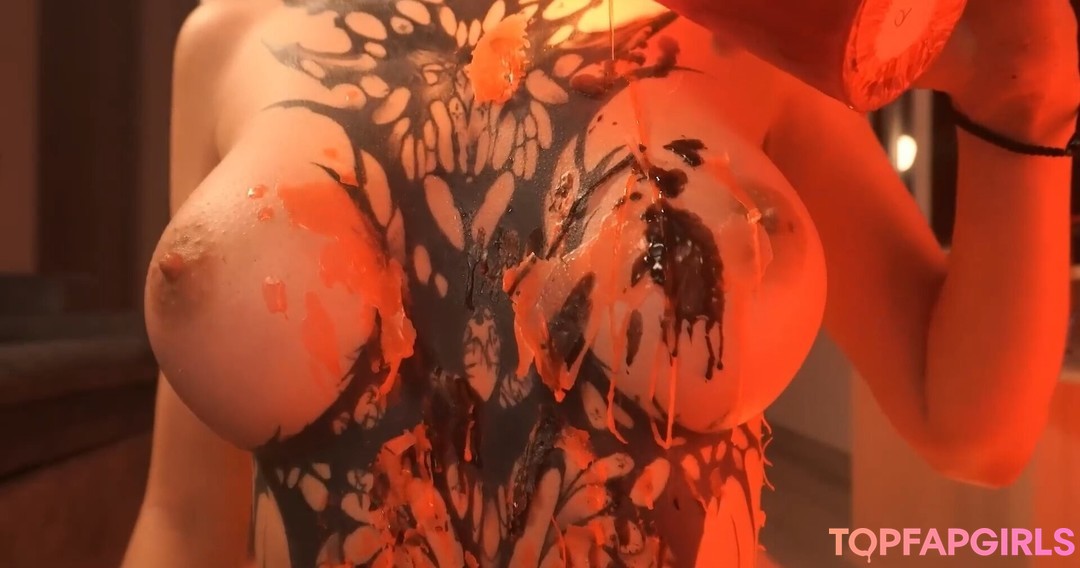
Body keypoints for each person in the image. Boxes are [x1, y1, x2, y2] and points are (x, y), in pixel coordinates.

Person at [123, 0, 1079, 566]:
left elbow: (971, 427)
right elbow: (186, 515)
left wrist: (1029, 95)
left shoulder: (746, 29)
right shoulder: (230, 36)